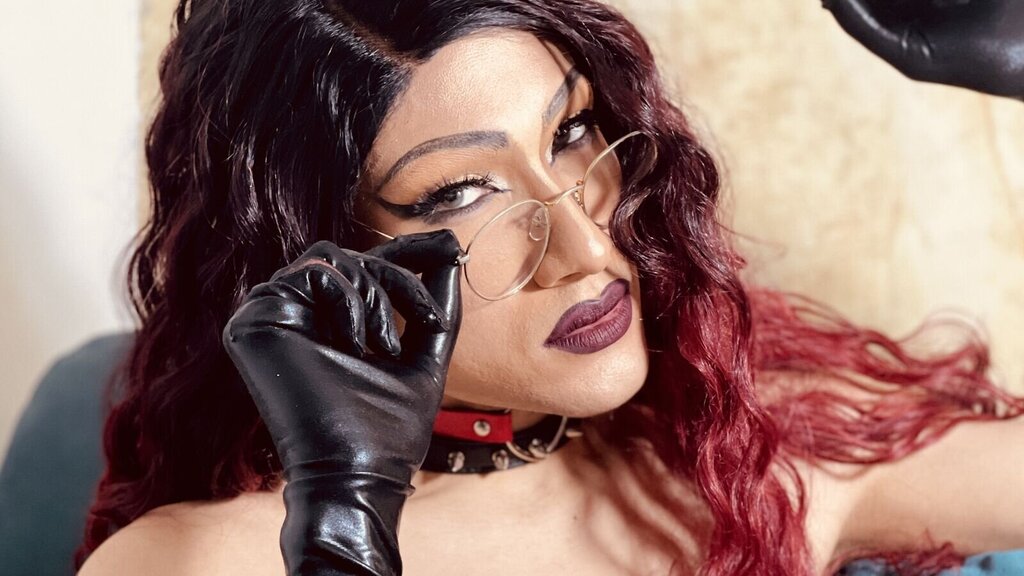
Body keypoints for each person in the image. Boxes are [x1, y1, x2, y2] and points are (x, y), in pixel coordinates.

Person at [74, 1, 1024, 575]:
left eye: (569, 132)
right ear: (313, 257)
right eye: (460, 192)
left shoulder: (762, 450)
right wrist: (345, 518)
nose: (585, 242)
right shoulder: (198, 560)